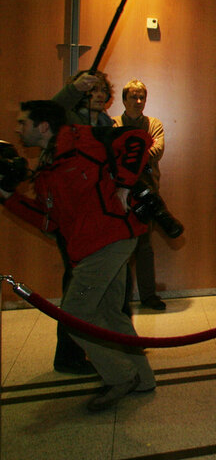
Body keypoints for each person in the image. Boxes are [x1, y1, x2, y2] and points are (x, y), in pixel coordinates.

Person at [1, 100, 156, 411]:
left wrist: (124, 184)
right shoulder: (46, 166)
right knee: (110, 315)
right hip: (91, 245)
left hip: (110, 238)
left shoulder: (82, 138)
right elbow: (51, 221)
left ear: (43, 126)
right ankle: (142, 378)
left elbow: (139, 139)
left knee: (73, 315)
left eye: (23, 123)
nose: (18, 130)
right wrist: (8, 199)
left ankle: (120, 376)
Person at [50, 70, 115, 374]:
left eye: (103, 90)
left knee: (98, 285)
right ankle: (68, 354)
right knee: (77, 285)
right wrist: (73, 89)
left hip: (96, 214)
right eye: (93, 90)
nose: (99, 95)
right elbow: (51, 110)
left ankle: (102, 346)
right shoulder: (68, 118)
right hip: (71, 215)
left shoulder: (105, 124)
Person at [112, 79, 167, 311]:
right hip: (119, 194)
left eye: (141, 97)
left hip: (147, 192)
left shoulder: (153, 123)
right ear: (124, 100)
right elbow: (110, 152)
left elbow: (156, 150)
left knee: (145, 247)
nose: (138, 101)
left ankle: (148, 296)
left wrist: (128, 155)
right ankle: (117, 298)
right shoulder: (113, 124)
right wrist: (138, 152)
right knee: (119, 248)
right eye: (133, 97)